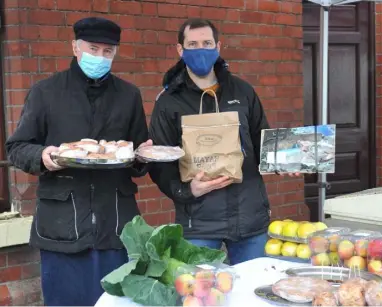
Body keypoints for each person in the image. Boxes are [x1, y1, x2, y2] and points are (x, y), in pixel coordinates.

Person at [5, 17, 150, 306]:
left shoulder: (129, 95)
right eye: (93, 49)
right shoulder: (46, 92)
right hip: (62, 225)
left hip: (116, 224)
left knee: (116, 301)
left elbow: (137, 157)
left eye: (108, 52)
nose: (100, 57)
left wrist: (143, 157)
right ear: (75, 47)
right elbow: (17, 147)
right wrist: (43, 157)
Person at [148, 18, 299, 265]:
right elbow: (159, 162)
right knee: (199, 297)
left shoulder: (242, 91)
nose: (201, 50)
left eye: (207, 43)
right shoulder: (168, 102)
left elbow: (263, 140)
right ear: (180, 49)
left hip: (249, 218)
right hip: (198, 222)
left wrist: (283, 160)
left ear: (218, 46)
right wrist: (186, 190)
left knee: (254, 296)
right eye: (193, 44)